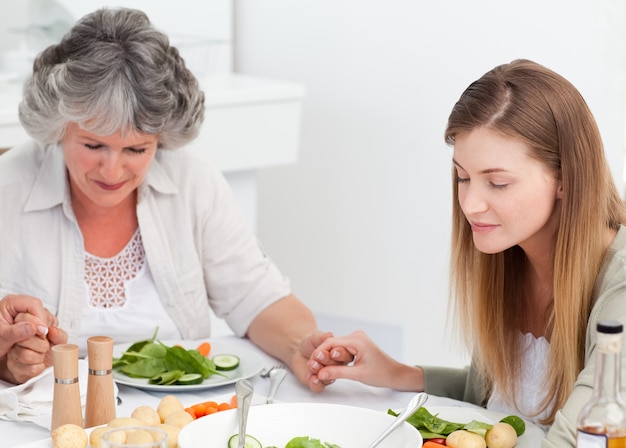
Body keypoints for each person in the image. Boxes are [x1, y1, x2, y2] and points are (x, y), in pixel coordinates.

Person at [0, 6, 338, 391]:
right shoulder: (7, 189)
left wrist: (301, 347)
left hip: (179, 420)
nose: (112, 172)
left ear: (162, 138)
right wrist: (10, 361)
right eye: (94, 144)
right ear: (59, 126)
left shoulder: (192, 179)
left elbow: (255, 295)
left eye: (137, 150)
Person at [308, 59, 626, 447]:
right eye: (462, 177)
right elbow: (495, 399)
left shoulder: (620, 285)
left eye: (497, 183)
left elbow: (580, 433)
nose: (470, 204)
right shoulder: (511, 257)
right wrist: (396, 373)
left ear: (565, 179)